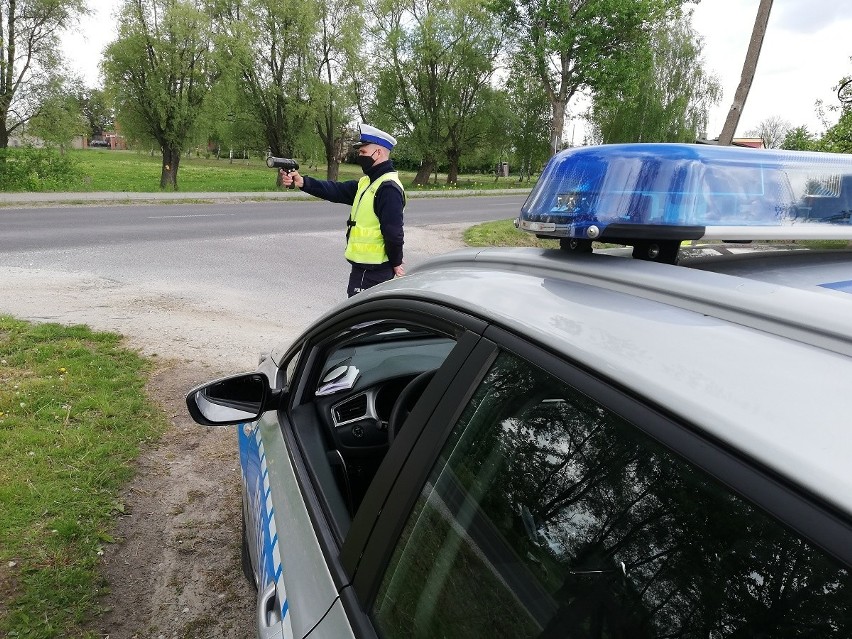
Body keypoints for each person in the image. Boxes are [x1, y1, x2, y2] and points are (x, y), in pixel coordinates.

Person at [281, 124, 405, 297]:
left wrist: (397, 262)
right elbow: (336, 190)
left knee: (361, 322)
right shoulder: (368, 182)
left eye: (363, 152)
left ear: (378, 153)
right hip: (363, 269)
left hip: (373, 273)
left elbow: (393, 232)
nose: (360, 156)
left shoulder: (387, 188)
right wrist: (302, 182)